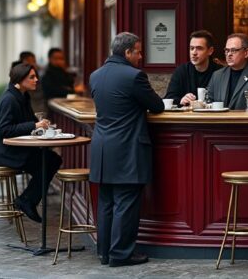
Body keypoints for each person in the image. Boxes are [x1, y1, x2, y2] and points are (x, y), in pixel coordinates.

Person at [90, 32, 164, 267]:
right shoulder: (134, 77)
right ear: (128, 52)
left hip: (102, 147)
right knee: (126, 202)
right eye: (139, 52)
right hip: (127, 148)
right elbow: (157, 105)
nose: (141, 57)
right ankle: (121, 254)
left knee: (106, 202)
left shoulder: (95, 76)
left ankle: (104, 252)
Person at [0, 63, 62, 223]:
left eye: (35, 76)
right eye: (32, 77)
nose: (36, 80)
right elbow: (4, 130)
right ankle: (26, 200)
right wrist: (34, 125)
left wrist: (41, 125)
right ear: (20, 79)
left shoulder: (22, 96)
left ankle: (27, 199)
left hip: (14, 150)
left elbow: (30, 122)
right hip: (3, 154)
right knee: (49, 161)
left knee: (51, 160)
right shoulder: (9, 99)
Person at [207, 33, 248, 109]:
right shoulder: (217, 75)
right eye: (227, 50)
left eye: (233, 50)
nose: (229, 54)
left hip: (246, 120)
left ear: (246, 53)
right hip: (219, 120)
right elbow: (208, 103)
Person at [164, 30, 223, 106]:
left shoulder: (220, 72)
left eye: (199, 48)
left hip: (212, 116)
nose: (194, 53)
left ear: (210, 51)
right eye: (192, 48)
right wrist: (181, 100)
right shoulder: (182, 71)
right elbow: (169, 98)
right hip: (187, 117)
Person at [12, 51, 47, 116]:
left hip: (36, 110)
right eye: (33, 61)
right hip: (34, 110)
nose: (35, 64)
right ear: (25, 61)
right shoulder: (24, 76)